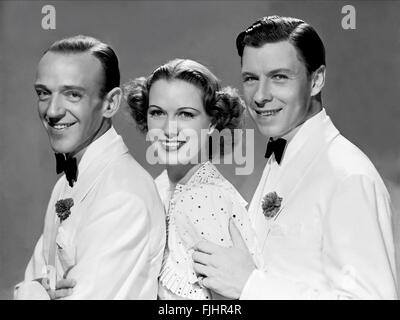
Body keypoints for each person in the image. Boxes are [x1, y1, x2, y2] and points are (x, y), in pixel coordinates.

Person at [192, 15, 398, 299]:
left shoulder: (349, 177)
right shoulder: (283, 154)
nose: (260, 96)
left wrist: (251, 285)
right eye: (251, 79)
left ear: (317, 80)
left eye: (279, 77)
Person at [14, 35, 166, 299]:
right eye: (43, 93)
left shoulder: (123, 197)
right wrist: (34, 289)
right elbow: (35, 278)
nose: (52, 111)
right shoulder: (66, 182)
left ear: (110, 103)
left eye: (73, 94)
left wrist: (29, 293)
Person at [124, 58, 263, 299]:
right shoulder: (157, 188)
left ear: (212, 123)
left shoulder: (206, 197)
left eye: (186, 115)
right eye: (157, 113)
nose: (169, 129)